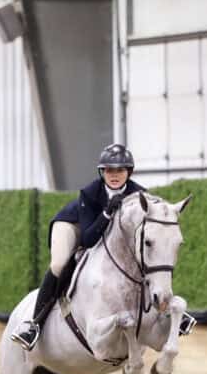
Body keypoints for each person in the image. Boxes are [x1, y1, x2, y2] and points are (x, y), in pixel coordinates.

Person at [11, 143, 146, 350]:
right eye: (109, 170)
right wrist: (107, 213)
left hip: (106, 232)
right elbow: (88, 239)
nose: (114, 175)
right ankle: (34, 325)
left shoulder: (140, 195)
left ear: (129, 172)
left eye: (120, 170)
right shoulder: (90, 194)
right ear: (102, 172)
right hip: (74, 224)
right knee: (59, 264)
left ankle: (165, 311)